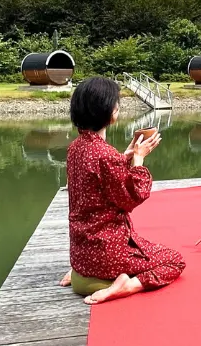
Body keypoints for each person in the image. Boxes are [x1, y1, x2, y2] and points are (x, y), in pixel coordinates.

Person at [57, 76, 185, 304]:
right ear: (109, 112)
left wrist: (122, 158)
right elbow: (133, 197)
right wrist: (138, 160)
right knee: (174, 260)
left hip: (82, 252)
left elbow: (98, 184)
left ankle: (80, 274)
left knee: (146, 248)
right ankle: (127, 286)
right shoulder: (105, 155)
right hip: (107, 252)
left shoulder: (75, 148)